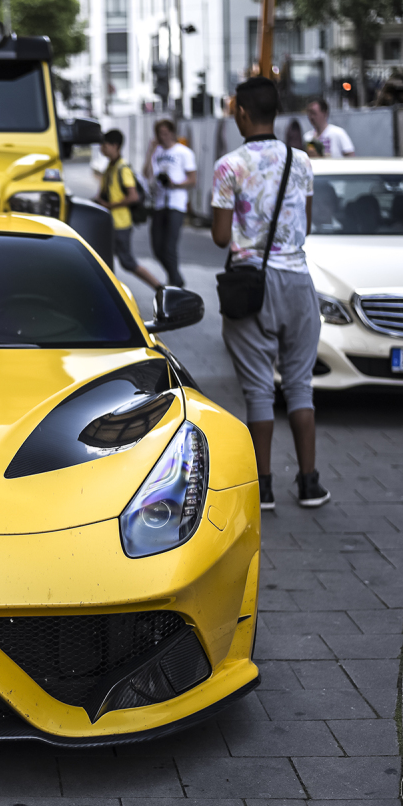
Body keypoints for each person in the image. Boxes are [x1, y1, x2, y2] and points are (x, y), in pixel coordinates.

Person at [211, 77, 328, 510]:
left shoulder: (229, 166)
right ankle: (309, 482)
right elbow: (307, 226)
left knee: (259, 390)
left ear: (241, 112)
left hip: (251, 285)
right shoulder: (302, 162)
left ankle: (263, 488)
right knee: (300, 386)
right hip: (298, 283)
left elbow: (222, 238)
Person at [95, 130, 162, 291]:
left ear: (115, 146)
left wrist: (109, 206)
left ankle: (159, 287)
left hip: (120, 223)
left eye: (104, 145)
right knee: (102, 259)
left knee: (127, 262)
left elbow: (133, 197)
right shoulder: (110, 167)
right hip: (110, 222)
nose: (101, 148)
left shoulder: (122, 168)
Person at [143, 120, 197, 288]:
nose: (163, 137)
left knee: (169, 246)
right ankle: (176, 278)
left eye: (166, 133)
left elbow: (193, 180)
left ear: (173, 133)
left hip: (176, 203)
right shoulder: (157, 152)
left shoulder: (184, 152)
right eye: (160, 134)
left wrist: (176, 184)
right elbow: (146, 174)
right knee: (157, 246)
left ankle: (175, 282)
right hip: (159, 202)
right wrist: (150, 151)